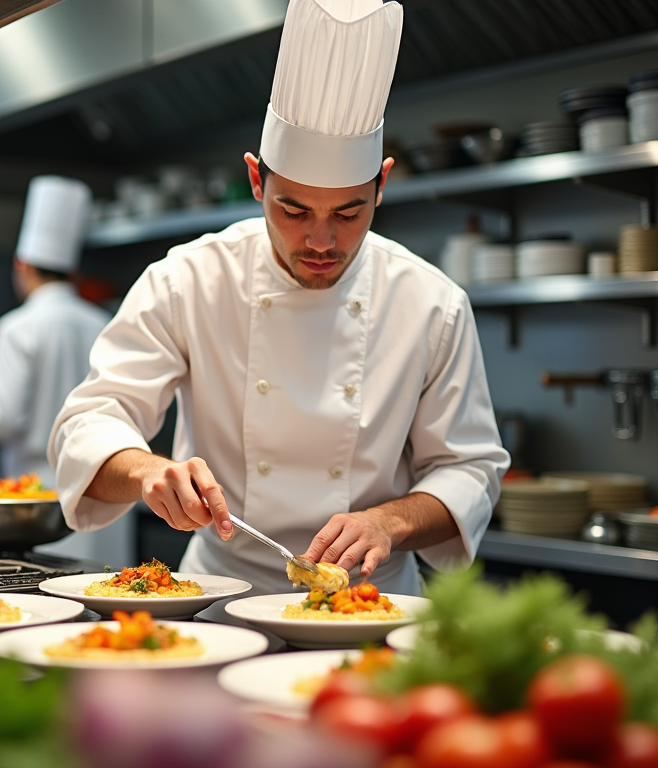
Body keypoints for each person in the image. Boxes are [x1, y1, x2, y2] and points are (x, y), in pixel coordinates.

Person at [48, 0, 510, 595]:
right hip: (218, 598)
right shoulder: (187, 279)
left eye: (349, 212)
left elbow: (470, 469)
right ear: (255, 181)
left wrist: (389, 522)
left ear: (383, 184)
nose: (321, 240)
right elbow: (88, 422)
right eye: (293, 210)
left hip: (372, 603)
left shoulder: (432, 302)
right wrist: (150, 473)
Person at [0, 176, 110, 486]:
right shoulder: (104, 322)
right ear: (73, 274)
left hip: (39, 486)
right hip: (103, 483)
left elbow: (3, 420)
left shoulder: (15, 327)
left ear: (22, 265)